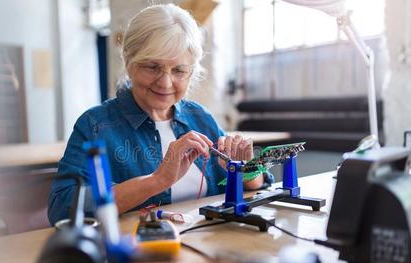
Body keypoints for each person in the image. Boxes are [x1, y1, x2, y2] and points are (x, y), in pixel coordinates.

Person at [48, 4, 272, 225]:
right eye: (152, 67)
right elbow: (63, 207)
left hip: (207, 250)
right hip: (136, 253)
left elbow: (254, 186)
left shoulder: (200, 118)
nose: (165, 83)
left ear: (191, 72)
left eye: (179, 70)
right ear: (128, 61)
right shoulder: (96, 125)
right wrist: (157, 181)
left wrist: (247, 169)